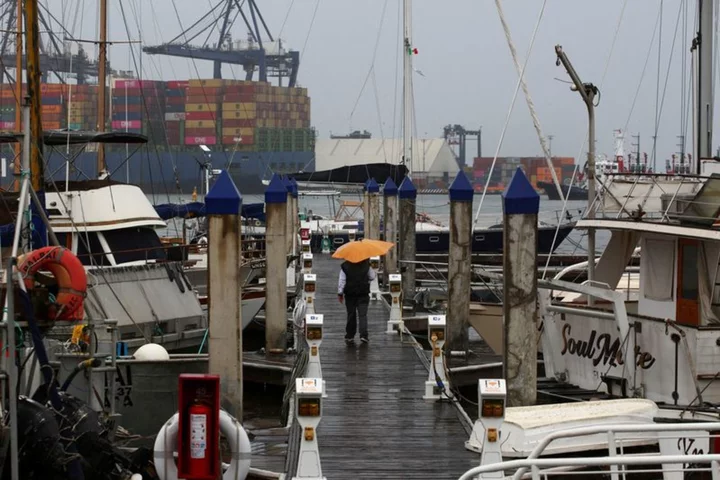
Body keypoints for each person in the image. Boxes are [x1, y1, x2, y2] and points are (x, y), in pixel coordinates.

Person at [337, 258, 376, 345]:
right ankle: (363, 335)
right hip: (363, 293)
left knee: (351, 314)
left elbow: (342, 280)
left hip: (350, 294)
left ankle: (350, 335)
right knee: (363, 315)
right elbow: (372, 276)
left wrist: (340, 293)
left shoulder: (345, 266)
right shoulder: (366, 265)